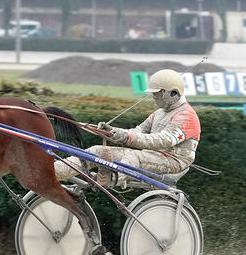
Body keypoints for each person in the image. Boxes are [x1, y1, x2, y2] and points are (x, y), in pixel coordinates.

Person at [55, 69, 201, 186]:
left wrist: (128, 137)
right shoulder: (159, 113)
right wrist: (114, 132)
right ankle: (55, 171)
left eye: (157, 94)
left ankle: (112, 178)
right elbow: (138, 131)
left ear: (173, 93)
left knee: (133, 156)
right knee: (97, 150)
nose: (153, 97)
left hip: (173, 162)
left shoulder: (187, 116)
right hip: (152, 156)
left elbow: (163, 141)